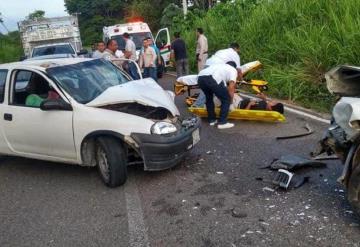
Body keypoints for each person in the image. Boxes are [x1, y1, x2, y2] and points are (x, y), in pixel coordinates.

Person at [197, 61, 240, 129]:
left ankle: (212, 120)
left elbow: (222, 87)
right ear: (234, 67)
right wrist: (231, 103)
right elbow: (231, 88)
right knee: (226, 99)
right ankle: (222, 122)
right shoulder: (233, 70)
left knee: (209, 98)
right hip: (212, 78)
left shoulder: (219, 66)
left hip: (200, 78)